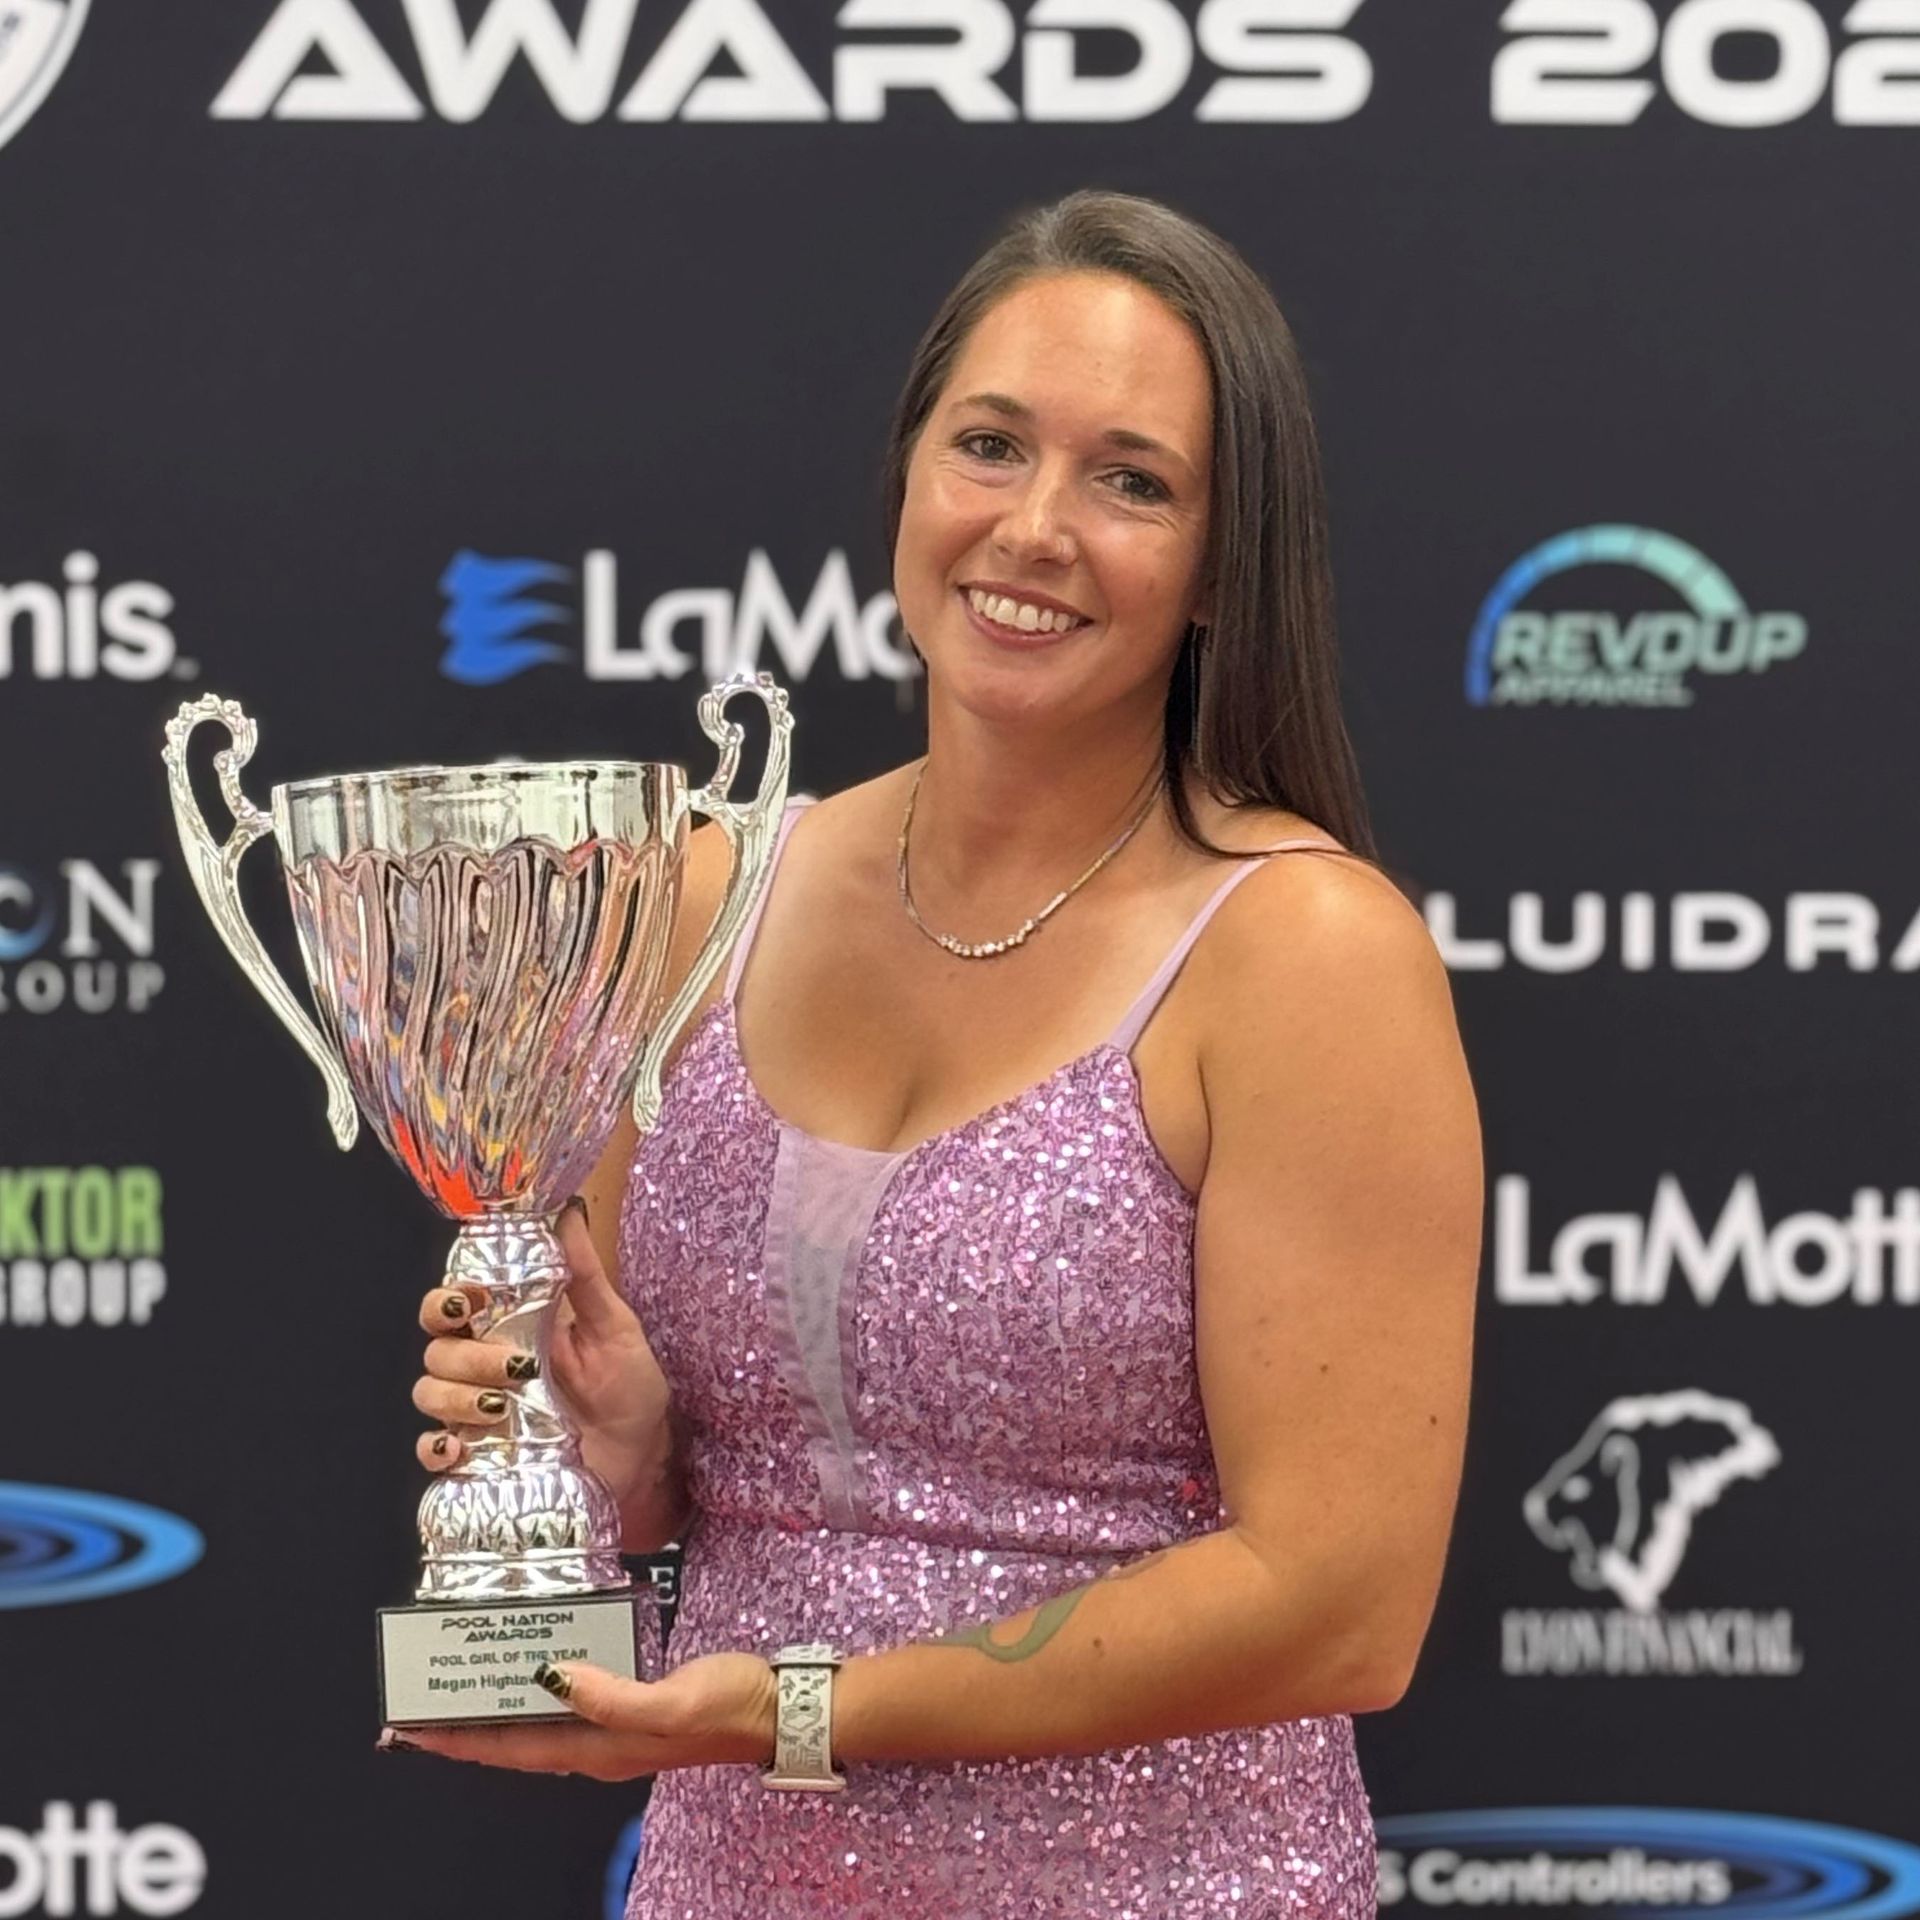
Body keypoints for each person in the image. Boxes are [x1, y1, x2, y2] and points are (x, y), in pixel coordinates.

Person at [393, 190, 1483, 1918]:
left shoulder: (1303, 952)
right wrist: (609, 1445)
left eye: (1133, 480)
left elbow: (1342, 1603)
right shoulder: (693, 899)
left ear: (1218, 570)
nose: (1037, 527)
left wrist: (797, 1708)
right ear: (910, 479)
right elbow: (673, 1516)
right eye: (991, 445)